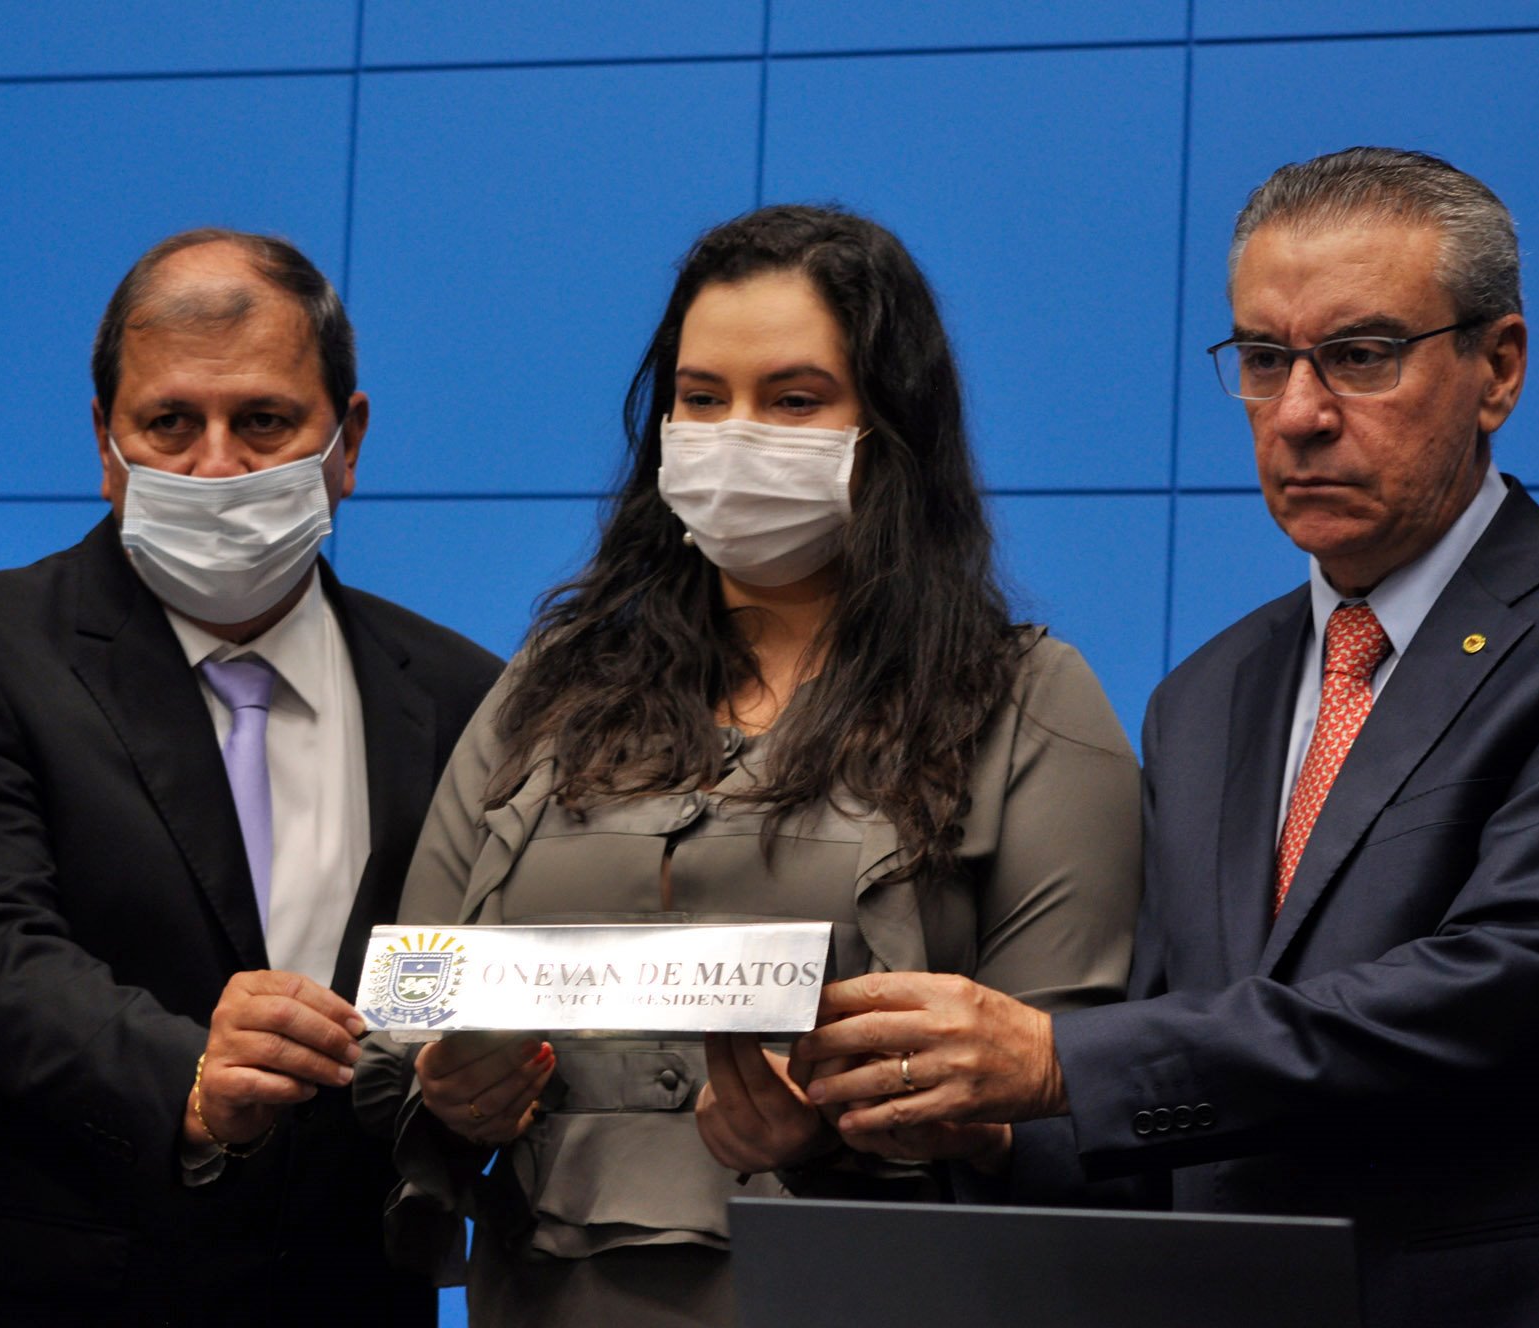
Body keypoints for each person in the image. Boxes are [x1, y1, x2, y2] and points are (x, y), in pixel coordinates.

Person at [799, 147, 1539, 1327]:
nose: (1297, 414)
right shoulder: (1204, 697)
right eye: (1262, 358)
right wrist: (983, 1123)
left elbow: (1505, 981)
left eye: (1360, 355)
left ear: (1496, 367)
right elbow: (1179, 1097)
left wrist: (1060, 1061)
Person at [355, 204, 1142, 1327]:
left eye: (793, 400)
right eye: (700, 398)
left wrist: (833, 1132)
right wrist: (447, 1094)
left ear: (890, 426)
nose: (733, 436)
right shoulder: (550, 685)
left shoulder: (1026, 700)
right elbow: (410, 1005)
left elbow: (1059, 1104)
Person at [0, 229, 501, 1325]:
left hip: (345, 1295)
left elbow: (454, 988)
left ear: (346, 440)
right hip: (44, 1294)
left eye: (263, 421)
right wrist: (194, 1075)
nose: (214, 465)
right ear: (105, 445)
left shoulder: (464, 694)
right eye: (169, 423)